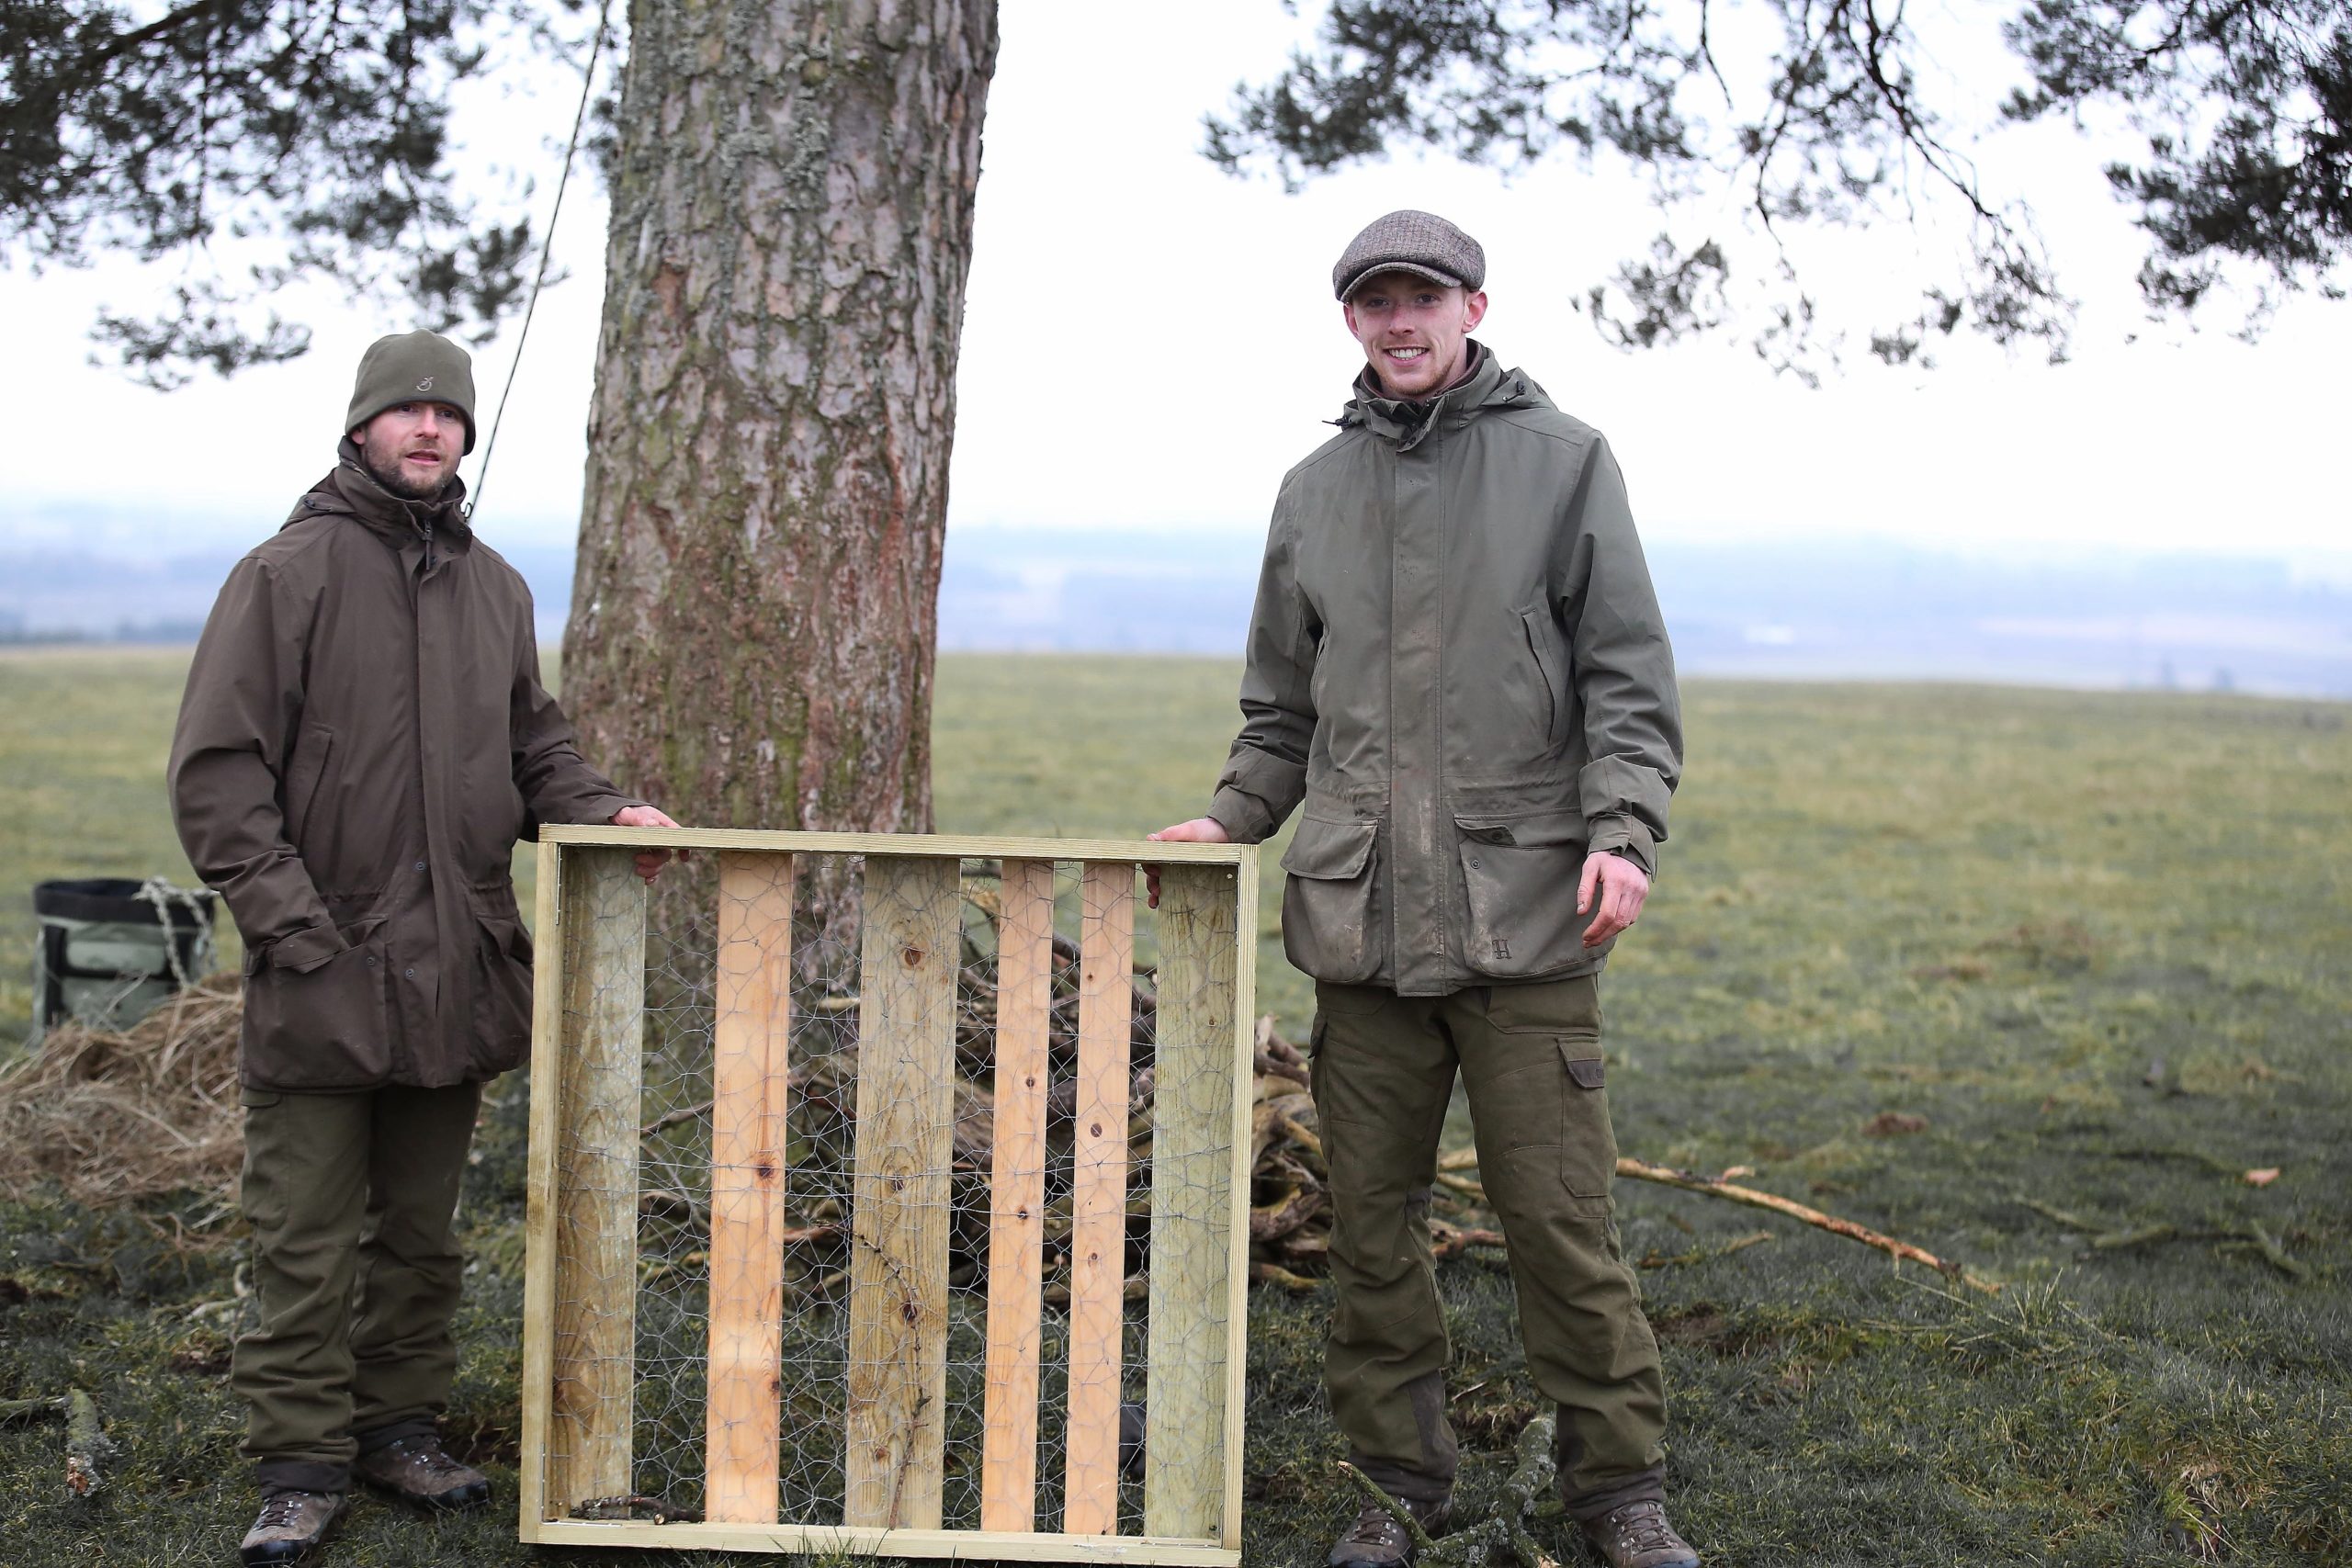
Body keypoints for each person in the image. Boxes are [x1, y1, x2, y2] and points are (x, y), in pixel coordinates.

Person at [1149, 212, 1695, 1568]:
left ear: (1473, 306)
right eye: (1373, 303)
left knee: (1562, 1231)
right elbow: (1278, 708)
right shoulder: (1311, 489)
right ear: (1352, 322)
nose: (1399, 322)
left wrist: (1622, 830)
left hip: (1528, 920)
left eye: (1423, 299)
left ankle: (1619, 1498)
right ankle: (1395, 1494)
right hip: (1361, 929)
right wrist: (1227, 821)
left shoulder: (1564, 462)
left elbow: (1628, 674)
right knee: (1372, 1236)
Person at [169, 330, 681, 1567]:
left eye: (446, 414)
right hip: (321, 973)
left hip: (455, 965)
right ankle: (296, 1467)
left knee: (423, 1229)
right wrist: (300, 934)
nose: (428, 429)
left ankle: (398, 1429)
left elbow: (532, 745)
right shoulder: (284, 576)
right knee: (303, 1230)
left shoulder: (494, 587)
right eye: (404, 412)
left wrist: (604, 807)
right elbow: (219, 780)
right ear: (359, 430)